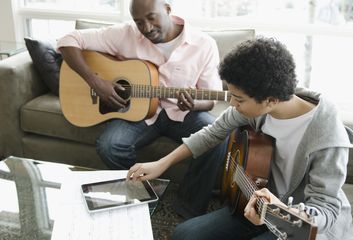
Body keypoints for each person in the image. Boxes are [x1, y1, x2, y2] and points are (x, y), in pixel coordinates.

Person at [127, 37, 353, 240]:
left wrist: (281, 211)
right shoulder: (261, 106)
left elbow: (326, 209)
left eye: (238, 99)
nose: (232, 104)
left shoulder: (328, 136)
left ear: (270, 100)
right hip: (253, 203)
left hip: (298, 223)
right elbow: (212, 133)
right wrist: (161, 163)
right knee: (184, 235)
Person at [57, 0, 228, 218]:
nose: (146, 28)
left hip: (182, 114)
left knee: (217, 135)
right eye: (139, 22)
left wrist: (195, 103)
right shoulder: (124, 34)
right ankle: (143, 194)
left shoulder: (204, 44)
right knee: (109, 145)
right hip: (141, 115)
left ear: (167, 9)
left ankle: (188, 207)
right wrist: (96, 82)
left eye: (151, 18)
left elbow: (211, 98)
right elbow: (67, 40)